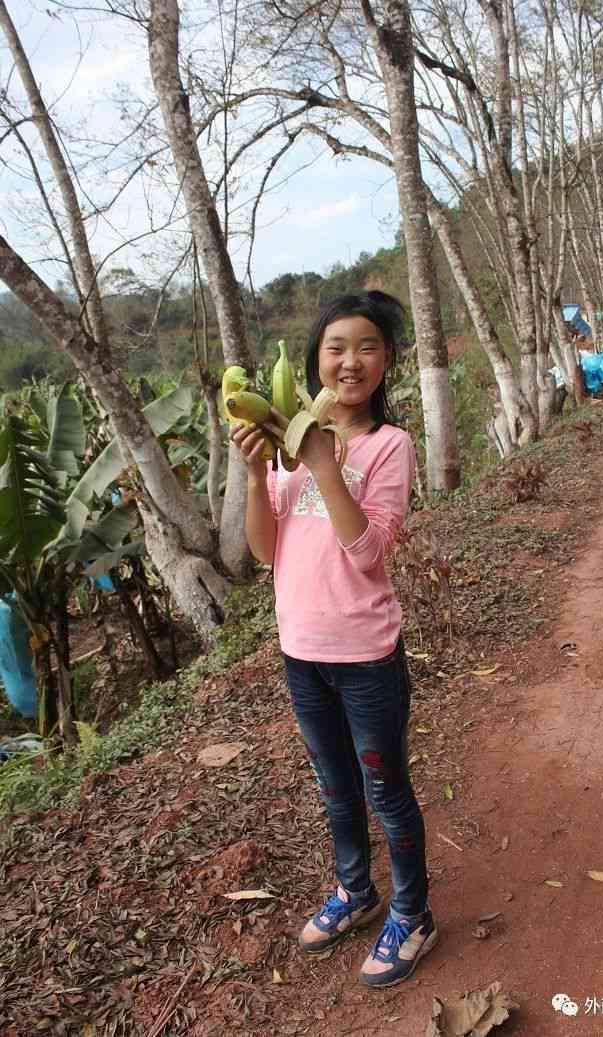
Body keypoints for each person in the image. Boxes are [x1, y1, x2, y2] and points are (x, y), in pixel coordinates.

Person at [231, 291, 437, 989]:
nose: (351, 361)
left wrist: (324, 463)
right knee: (334, 789)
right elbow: (264, 550)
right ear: (316, 359)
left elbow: (369, 550)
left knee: (385, 791)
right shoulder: (287, 446)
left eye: (368, 346)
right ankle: (357, 890)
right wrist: (259, 471)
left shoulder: (389, 446)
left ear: (387, 361)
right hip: (301, 652)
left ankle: (413, 910)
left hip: (367, 658)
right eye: (336, 347)